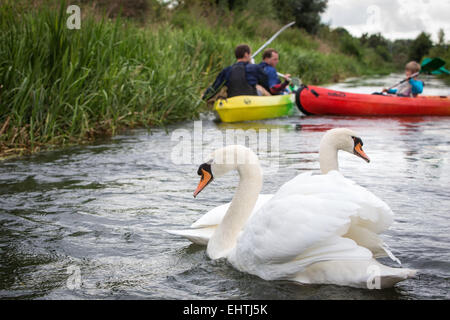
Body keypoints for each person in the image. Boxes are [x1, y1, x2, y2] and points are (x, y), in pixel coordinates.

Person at [202, 44, 270, 100]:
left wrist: (204, 98)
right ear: (246, 54)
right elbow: (266, 83)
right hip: (251, 100)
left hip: (233, 100)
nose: (250, 56)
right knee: (260, 88)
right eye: (250, 54)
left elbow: (214, 88)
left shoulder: (227, 70)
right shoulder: (255, 68)